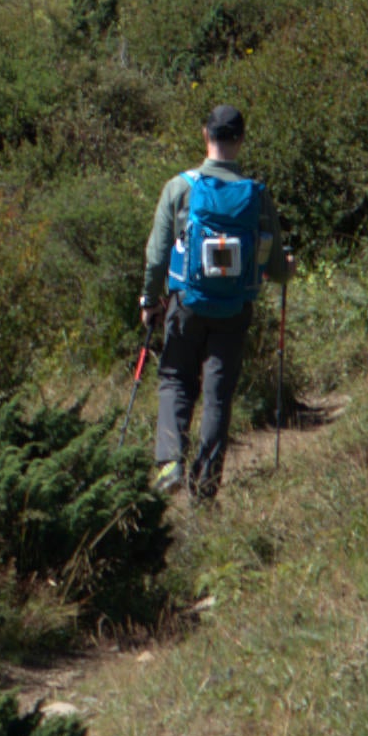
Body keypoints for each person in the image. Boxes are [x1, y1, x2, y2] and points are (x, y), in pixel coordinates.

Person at [141, 102, 290, 501]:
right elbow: (275, 268)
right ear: (241, 140)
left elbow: (156, 255)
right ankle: (204, 490)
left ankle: (170, 461)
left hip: (185, 304)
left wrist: (148, 299)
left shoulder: (180, 187)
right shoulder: (257, 195)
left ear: (205, 135)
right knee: (218, 396)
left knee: (175, 378)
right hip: (233, 311)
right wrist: (286, 268)